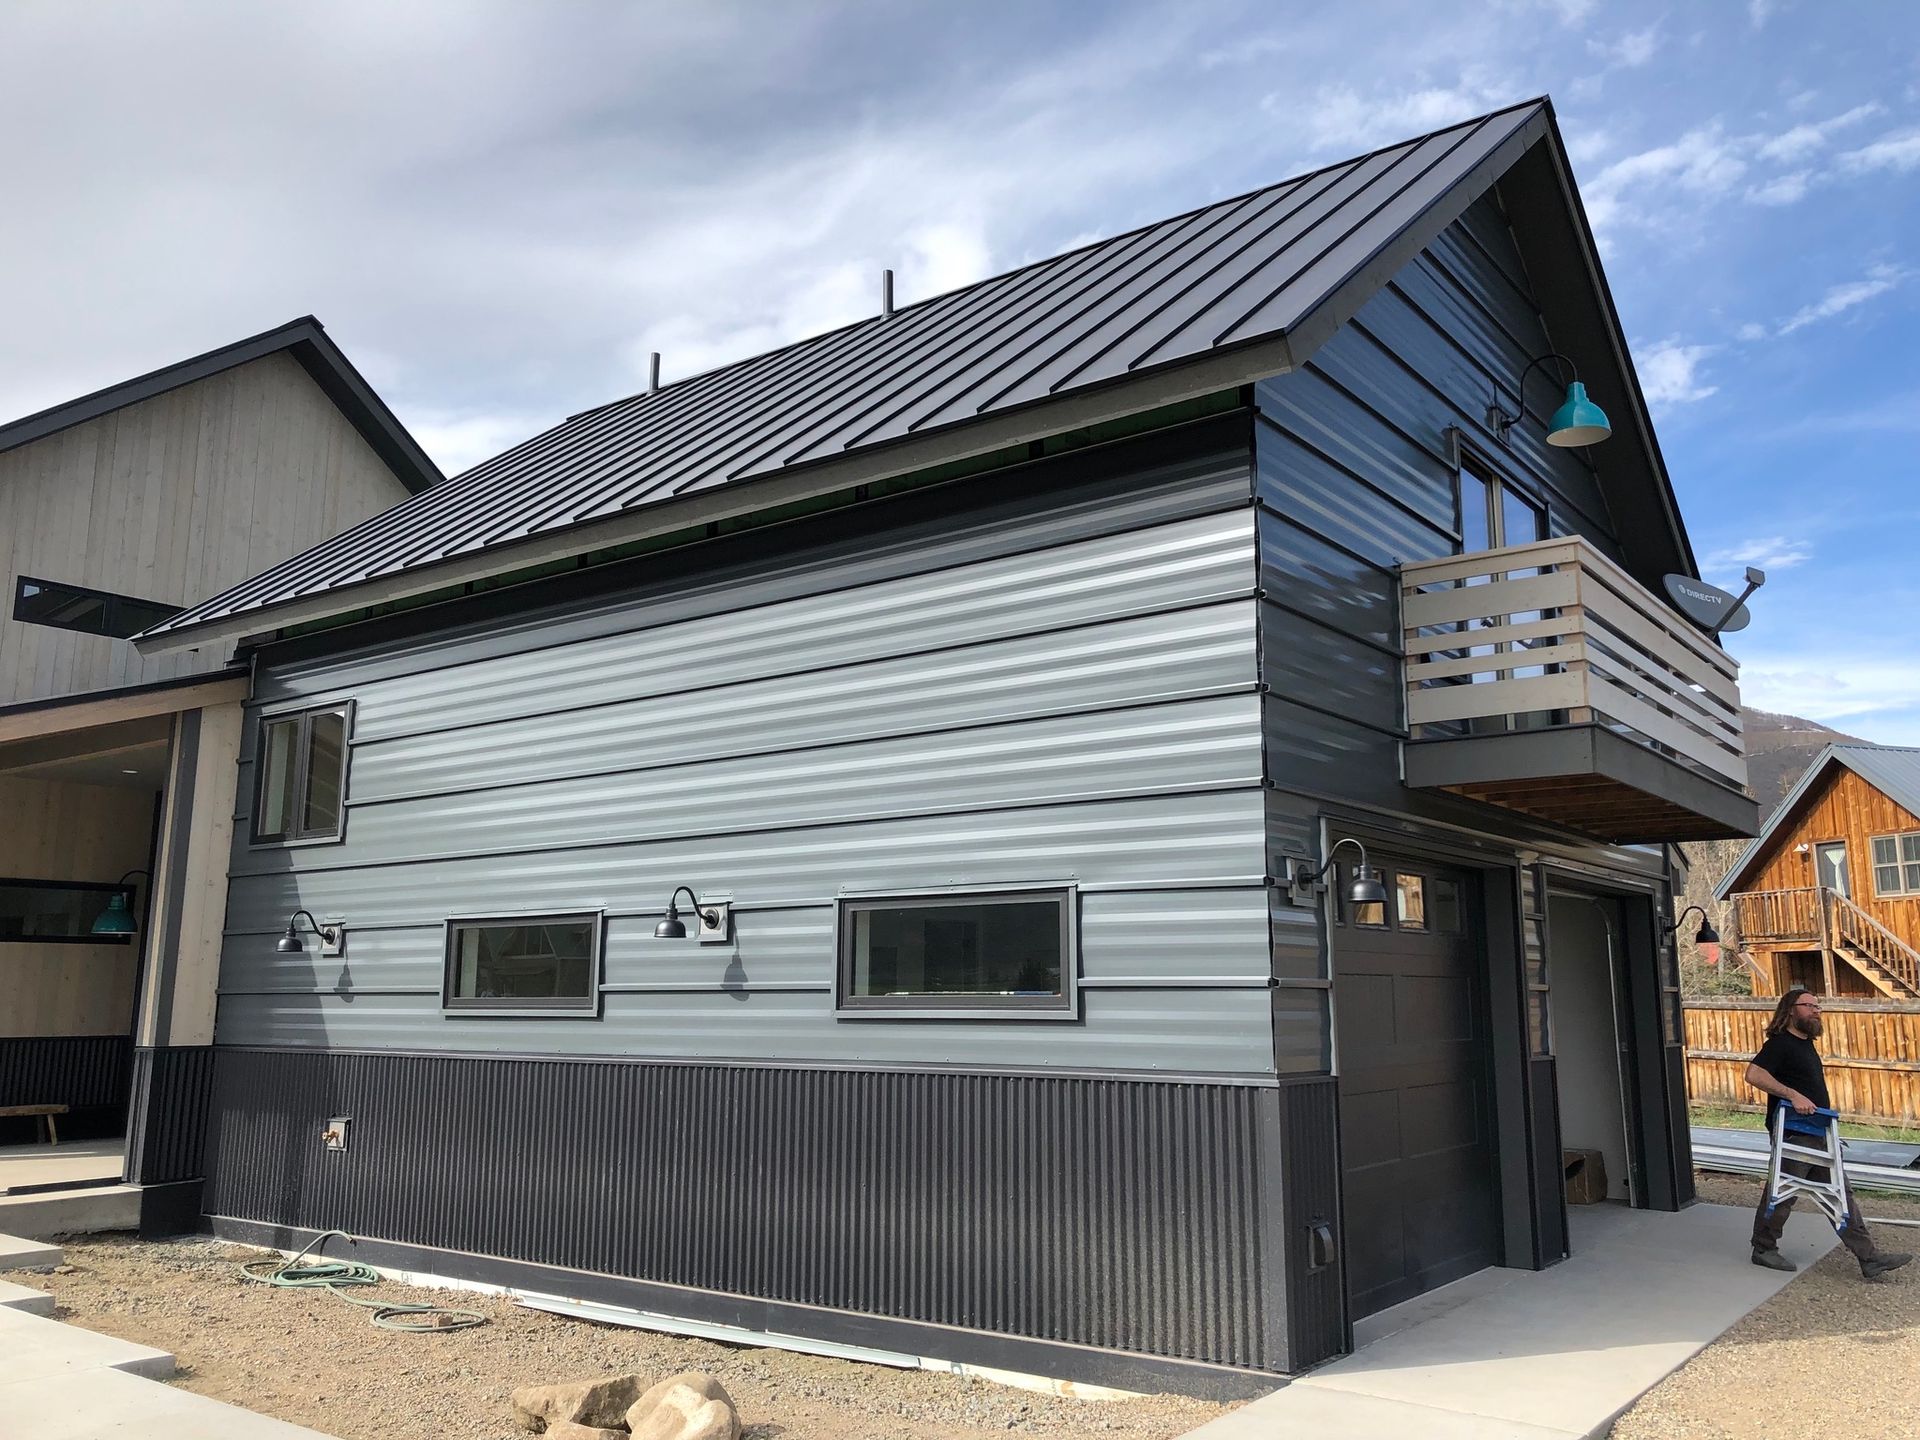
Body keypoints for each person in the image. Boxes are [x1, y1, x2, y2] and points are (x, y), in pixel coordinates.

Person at [1745, 986, 1911, 1280]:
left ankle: (1869, 1258)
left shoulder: (1806, 1045)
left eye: (1818, 1006)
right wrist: (1791, 1094)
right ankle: (1763, 1248)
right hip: (1794, 1133)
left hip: (1820, 1133)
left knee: (1840, 1196)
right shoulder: (1780, 1044)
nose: (1816, 1010)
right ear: (1790, 1010)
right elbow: (1754, 1074)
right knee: (1782, 1192)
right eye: (1808, 1005)